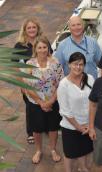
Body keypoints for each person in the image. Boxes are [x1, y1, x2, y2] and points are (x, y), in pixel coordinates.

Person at [24, 36, 64, 164]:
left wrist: (51, 101)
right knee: (36, 129)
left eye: (44, 47)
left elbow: (61, 84)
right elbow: (26, 86)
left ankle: (53, 149)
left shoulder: (55, 63)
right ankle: (39, 150)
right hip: (35, 103)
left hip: (53, 101)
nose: (42, 50)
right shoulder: (29, 64)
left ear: (48, 48)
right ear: (35, 49)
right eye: (39, 47)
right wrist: (41, 102)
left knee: (53, 127)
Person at [14, 17, 52, 145]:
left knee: (45, 103)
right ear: (24, 30)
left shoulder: (43, 41)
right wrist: (22, 84)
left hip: (44, 82)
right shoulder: (19, 46)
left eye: (33, 27)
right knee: (31, 107)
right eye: (28, 28)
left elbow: (50, 58)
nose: (31, 30)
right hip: (29, 84)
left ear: (38, 29)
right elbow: (15, 67)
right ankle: (31, 132)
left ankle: (46, 128)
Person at [57, 52, 94, 172]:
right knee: (70, 155)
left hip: (88, 125)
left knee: (85, 151)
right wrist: (79, 127)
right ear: (69, 65)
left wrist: (90, 125)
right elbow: (65, 111)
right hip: (71, 127)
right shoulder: (63, 85)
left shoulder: (90, 78)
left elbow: (94, 102)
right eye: (75, 64)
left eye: (81, 64)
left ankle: (82, 168)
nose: (78, 67)